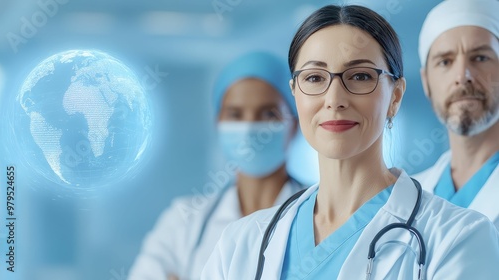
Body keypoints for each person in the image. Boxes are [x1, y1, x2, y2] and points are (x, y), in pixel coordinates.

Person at [201, 4, 499, 279]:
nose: (334, 99)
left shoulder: (459, 237)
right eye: (315, 78)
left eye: (359, 76)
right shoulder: (241, 243)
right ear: (295, 93)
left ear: (395, 96)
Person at [127, 51, 306, 280]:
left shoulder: (320, 214)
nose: (250, 127)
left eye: (268, 113)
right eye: (235, 114)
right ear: (218, 123)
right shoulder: (185, 220)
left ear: (295, 125)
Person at [413, 0, 499, 229]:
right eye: (445, 62)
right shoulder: (408, 197)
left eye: (480, 57)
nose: (463, 76)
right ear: (426, 82)